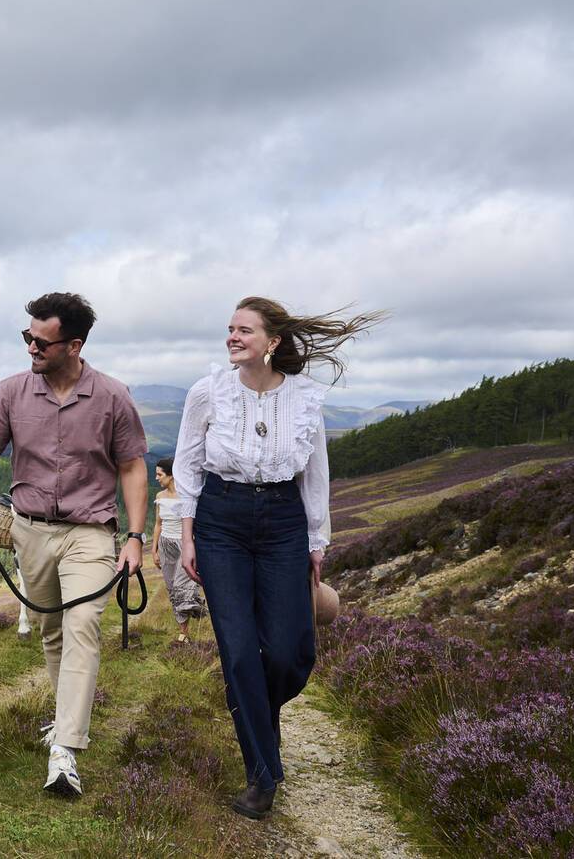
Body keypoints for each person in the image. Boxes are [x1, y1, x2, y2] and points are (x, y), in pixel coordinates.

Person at [173, 296, 384, 820]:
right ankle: (262, 776)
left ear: (273, 342)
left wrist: (317, 542)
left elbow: (316, 476)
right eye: (229, 329)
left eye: (244, 330)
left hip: (284, 522)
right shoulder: (207, 392)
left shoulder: (307, 399)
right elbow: (187, 464)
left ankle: (258, 714)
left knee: (291, 651)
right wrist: (189, 536)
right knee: (241, 652)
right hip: (222, 520)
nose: (232, 337)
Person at [0, 292, 148, 798]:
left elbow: (131, 467)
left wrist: (135, 538)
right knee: (52, 630)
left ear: (74, 345)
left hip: (91, 533)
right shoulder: (11, 392)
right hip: (29, 530)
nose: (31, 347)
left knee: (82, 625)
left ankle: (65, 752)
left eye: (41, 341)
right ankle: (64, 719)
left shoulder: (113, 396)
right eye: (27, 338)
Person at [150, 457, 206, 641]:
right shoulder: (160, 497)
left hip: (184, 543)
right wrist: (154, 549)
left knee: (184, 585)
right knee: (172, 587)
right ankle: (184, 631)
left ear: (171, 476)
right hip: (166, 545)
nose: (156, 478)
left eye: (160, 474)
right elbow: (158, 524)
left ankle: (195, 612)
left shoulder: (187, 496)